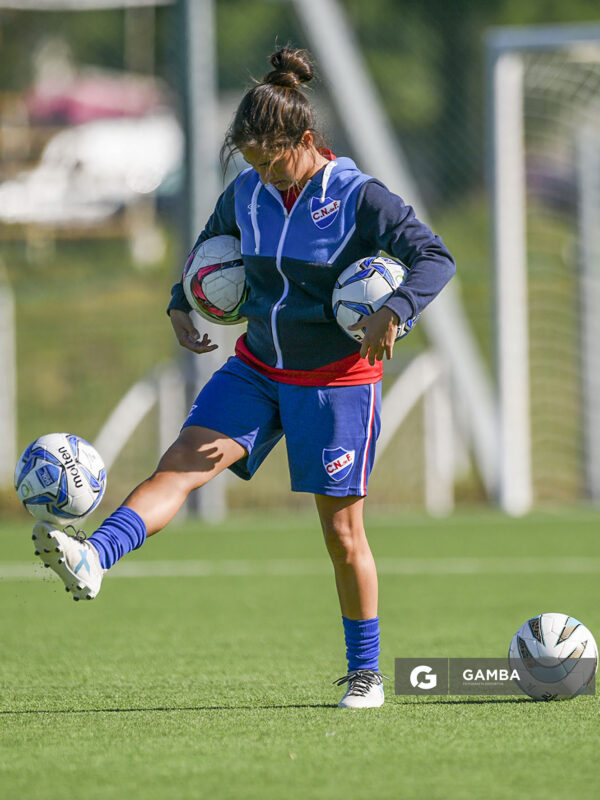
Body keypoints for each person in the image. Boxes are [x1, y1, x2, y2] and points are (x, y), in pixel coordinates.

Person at [32, 47, 455, 709]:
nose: (264, 175)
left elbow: (434, 257)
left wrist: (394, 311)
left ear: (307, 142)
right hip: (258, 366)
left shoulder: (357, 197)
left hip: (337, 381)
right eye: (252, 162)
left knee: (342, 535)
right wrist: (180, 300)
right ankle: (95, 556)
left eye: (272, 161)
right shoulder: (249, 192)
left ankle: (366, 673)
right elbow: (208, 246)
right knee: (179, 462)